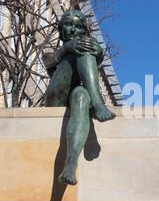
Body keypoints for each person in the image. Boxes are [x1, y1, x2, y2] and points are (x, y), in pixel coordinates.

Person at [44, 10, 115, 185]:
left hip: (76, 96)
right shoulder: (51, 51)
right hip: (56, 98)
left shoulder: (85, 43)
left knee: (81, 95)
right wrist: (67, 47)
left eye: (78, 26)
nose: (73, 29)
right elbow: (48, 61)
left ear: (83, 30)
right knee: (80, 48)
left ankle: (71, 163)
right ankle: (98, 103)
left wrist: (98, 52)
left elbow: (89, 58)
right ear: (60, 29)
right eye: (68, 25)